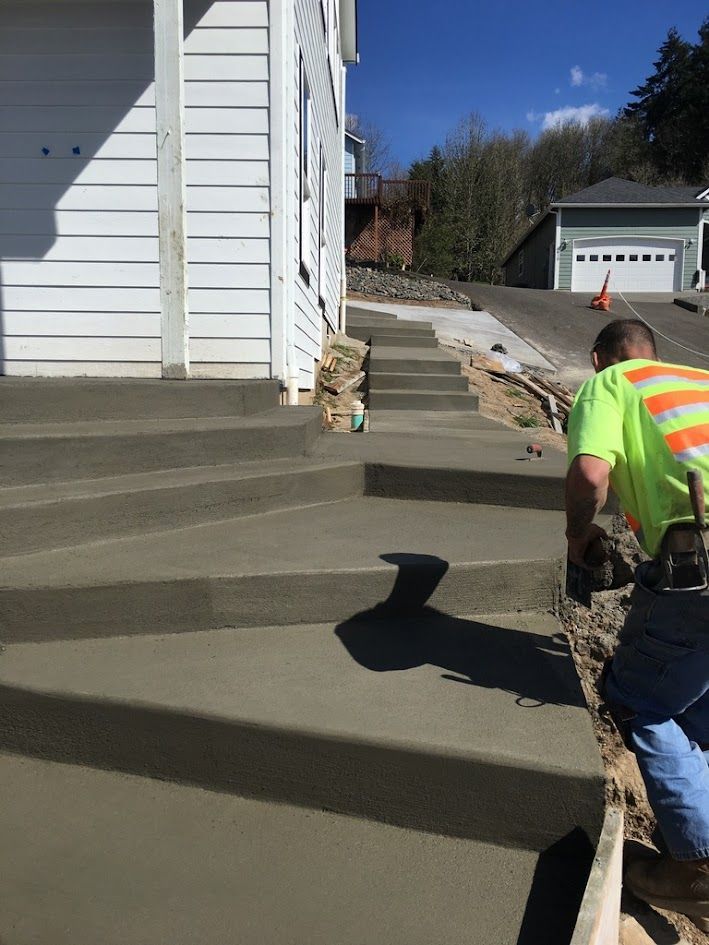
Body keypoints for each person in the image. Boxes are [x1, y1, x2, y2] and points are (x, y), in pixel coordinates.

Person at [566, 318, 709, 932]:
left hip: (697, 565)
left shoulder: (609, 384)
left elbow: (591, 475)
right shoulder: (697, 382)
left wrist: (578, 536)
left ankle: (696, 872)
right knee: (697, 696)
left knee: (638, 700)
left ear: (601, 358)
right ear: (655, 352)